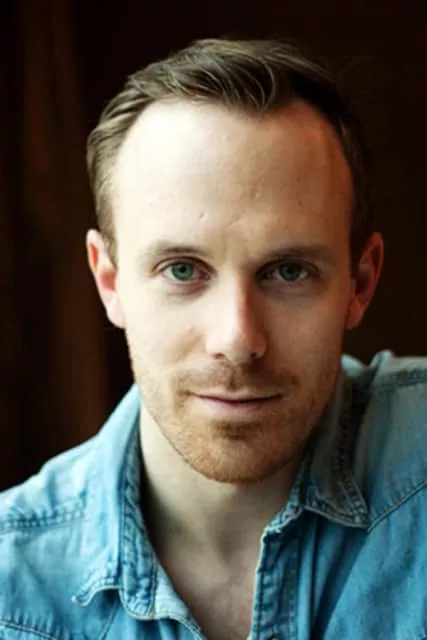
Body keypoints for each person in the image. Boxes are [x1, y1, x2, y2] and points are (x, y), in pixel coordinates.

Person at [0, 36, 426, 640]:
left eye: (288, 271)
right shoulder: (11, 590)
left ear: (360, 282)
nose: (238, 339)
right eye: (182, 270)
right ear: (110, 281)